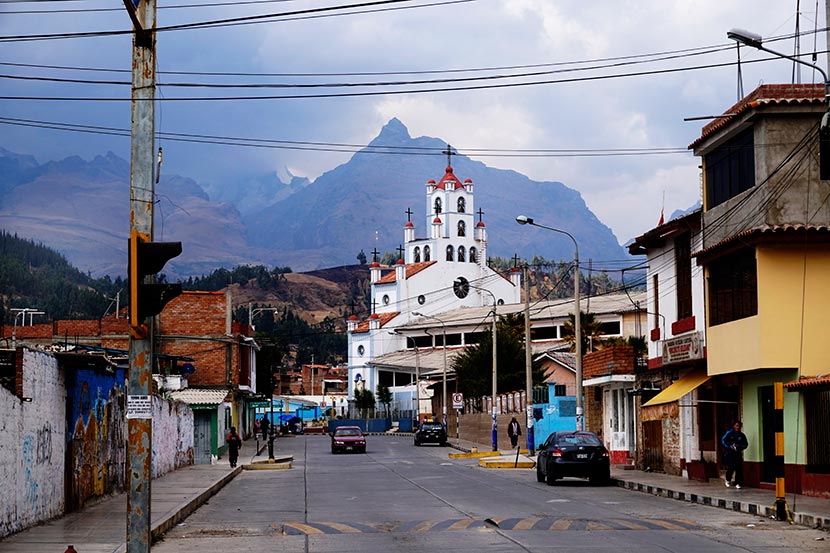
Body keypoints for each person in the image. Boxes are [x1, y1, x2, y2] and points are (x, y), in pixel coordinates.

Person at [722, 420, 748, 489]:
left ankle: (738, 483)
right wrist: (729, 446)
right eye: (736, 425)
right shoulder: (729, 433)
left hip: (738, 454)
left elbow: (745, 444)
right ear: (733, 426)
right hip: (730, 453)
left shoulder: (742, 435)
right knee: (731, 467)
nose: (737, 427)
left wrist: (740, 447)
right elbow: (723, 440)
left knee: (739, 469)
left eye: (739, 426)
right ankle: (728, 479)